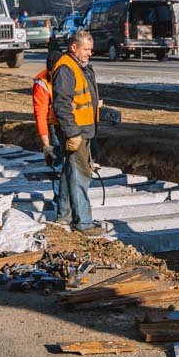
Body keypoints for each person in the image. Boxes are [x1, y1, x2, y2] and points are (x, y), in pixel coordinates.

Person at [51, 30, 104, 235]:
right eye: (86, 49)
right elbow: (62, 104)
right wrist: (72, 133)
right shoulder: (66, 68)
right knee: (81, 175)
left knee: (69, 172)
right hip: (76, 131)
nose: (90, 53)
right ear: (74, 47)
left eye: (91, 49)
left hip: (84, 129)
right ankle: (84, 223)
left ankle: (64, 216)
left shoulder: (82, 67)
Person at [32, 50, 63, 169]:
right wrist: (47, 146)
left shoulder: (71, 74)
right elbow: (40, 114)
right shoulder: (42, 84)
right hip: (55, 124)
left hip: (74, 121)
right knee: (59, 159)